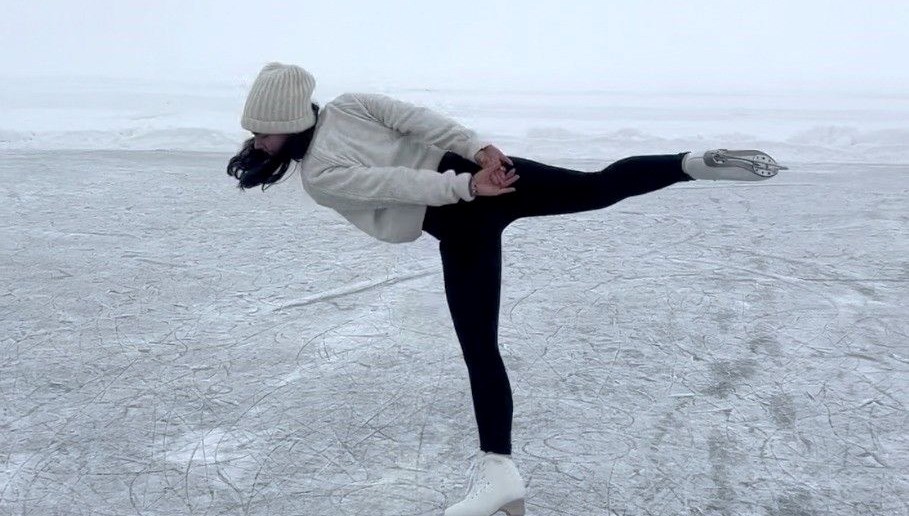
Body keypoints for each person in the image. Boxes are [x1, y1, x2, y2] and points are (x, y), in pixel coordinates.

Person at [227, 62, 787, 516]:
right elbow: (424, 124)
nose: (258, 142)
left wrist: (473, 177)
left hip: (463, 211)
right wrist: (479, 153)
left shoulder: (320, 173)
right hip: (486, 181)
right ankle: (691, 164)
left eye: (262, 130)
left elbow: (395, 183)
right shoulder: (350, 104)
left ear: (287, 119)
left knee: (480, 351)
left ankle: (500, 473)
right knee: (598, 187)